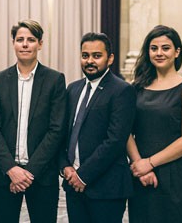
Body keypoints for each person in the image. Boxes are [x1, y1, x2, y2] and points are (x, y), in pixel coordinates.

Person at [0, 19, 66, 223]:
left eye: (30, 40)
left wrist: (28, 173)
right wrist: (12, 169)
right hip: (4, 175)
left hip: (41, 175)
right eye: (20, 39)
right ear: (13, 43)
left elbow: (56, 130)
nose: (24, 44)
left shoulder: (55, 80)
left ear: (40, 44)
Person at [58, 32, 136, 223]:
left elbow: (115, 140)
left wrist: (82, 176)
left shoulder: (122, 90)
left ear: (110, 59)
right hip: (73, 184)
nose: (90, 61)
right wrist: (65, 166)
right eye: (85, 56)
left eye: (97, 56)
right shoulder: (73, 89)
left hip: (106, 188)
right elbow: (62, 134)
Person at [127, 25, 182, 223]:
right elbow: (126, 131)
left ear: (177, 52)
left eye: (165, 48)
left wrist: (150, 163)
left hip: (175, 173)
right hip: (141, 172)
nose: (159, 53)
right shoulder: (136, 88)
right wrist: (139, 165)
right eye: (154, 48)